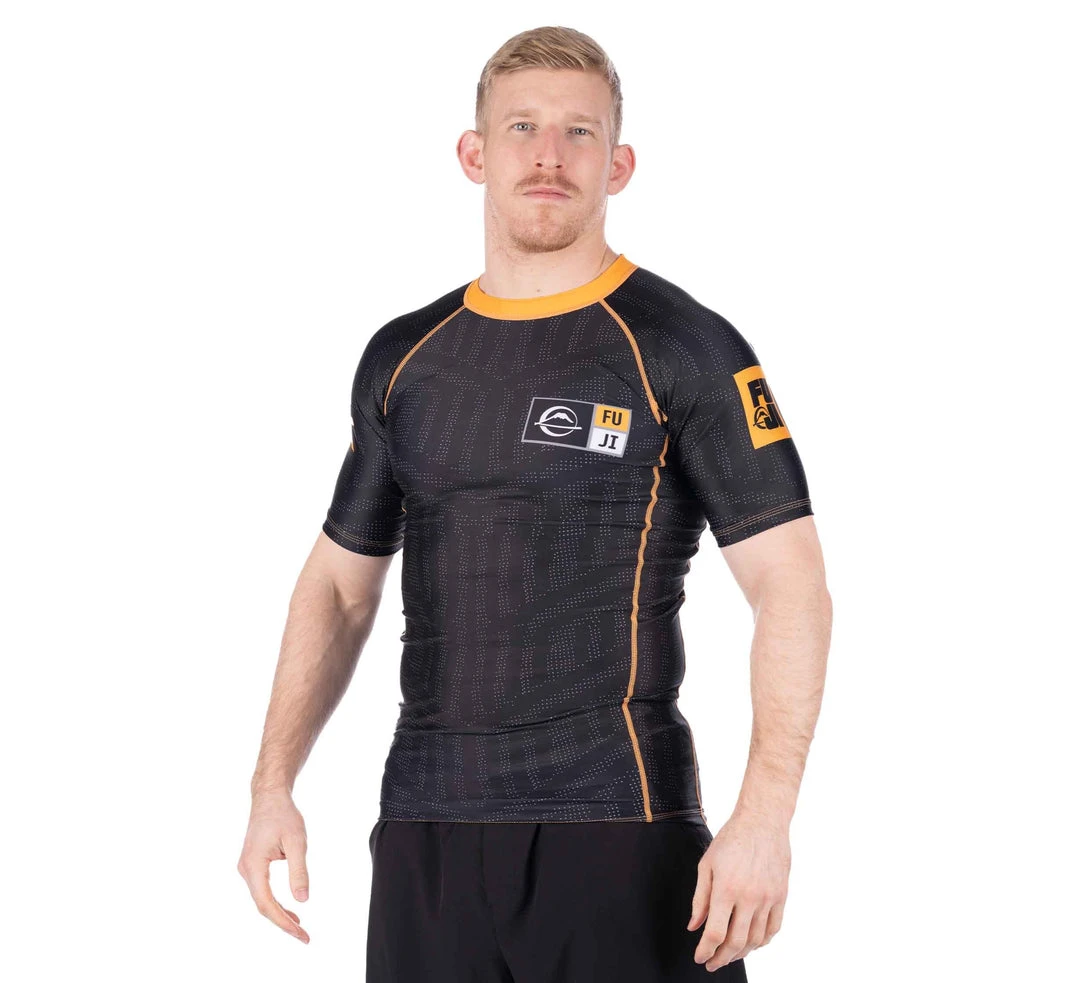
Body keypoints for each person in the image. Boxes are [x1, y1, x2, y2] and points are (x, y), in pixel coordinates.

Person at [237, 24, 832, 981]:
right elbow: (340, 589)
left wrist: (764, 819)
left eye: (579, 132)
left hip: (621, 830)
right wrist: (273, 783)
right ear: (474, 153)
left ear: (619, 164)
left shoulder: (683, 346)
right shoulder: (405, 357)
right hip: (426, 829)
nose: (549, 155)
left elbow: (791, 584)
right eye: (522, 127)